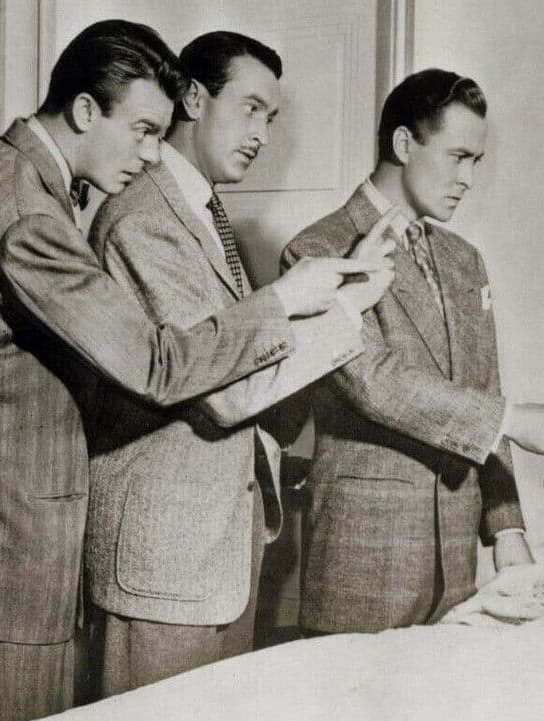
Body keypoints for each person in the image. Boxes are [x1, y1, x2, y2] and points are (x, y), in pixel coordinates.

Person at [0, 20, 385, 721]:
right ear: (84, 110)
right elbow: (155, 363)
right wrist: (285, 300)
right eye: (145, 130)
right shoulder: (25, 210)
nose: (153, 152)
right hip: (1, 557)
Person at [81, 31, 396, 697]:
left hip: (213, 557)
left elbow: (239, 354)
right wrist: (346, 309)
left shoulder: (200, 212)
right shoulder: (144, 219)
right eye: (250, 108)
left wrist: (345, 294)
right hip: (162, 567)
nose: (261, 134)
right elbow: (222, 391)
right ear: (194, 99)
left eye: (270, 118)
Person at [281, 68, 544, 635]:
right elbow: (373, 381)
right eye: (458, 157)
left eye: (475, 162)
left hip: (454, 565)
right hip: (365, 558)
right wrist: (512, 420)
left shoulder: (464, 260)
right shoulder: (316, 250)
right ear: (404, 143)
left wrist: (507, 529)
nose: (467, 179)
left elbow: (483, 390)